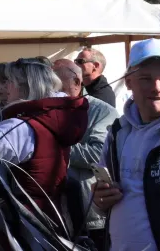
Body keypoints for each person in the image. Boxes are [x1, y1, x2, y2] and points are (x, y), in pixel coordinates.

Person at [93, 39, 160, 251]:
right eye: (146, 79)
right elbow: (103, 196)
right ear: (128, 82)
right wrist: (101, 198)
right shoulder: (118, 131)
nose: (157, 88)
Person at [0, 58, 88, 227]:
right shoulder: (52, 116)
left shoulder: (19, 126)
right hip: (50, 215)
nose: (5, 87)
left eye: (9, 81)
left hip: (24, 221)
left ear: (25, 86)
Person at [52, 58, 117, 246]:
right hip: (59, 211)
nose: (51, 89)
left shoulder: (102, 111)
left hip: (91, 211)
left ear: (76, 82)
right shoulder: (50, 110)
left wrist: (53, 147)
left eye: (56, 83)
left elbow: (98, 154)